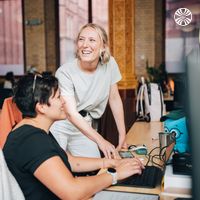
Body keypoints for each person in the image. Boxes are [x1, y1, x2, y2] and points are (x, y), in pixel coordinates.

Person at [3, 74, 144, 199]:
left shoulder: (33, 130)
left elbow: (69, 161)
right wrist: (115, 175)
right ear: (41, 107)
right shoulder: (31, 141)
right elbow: (72, 192)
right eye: (58, 97)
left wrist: (110, 163)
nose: (64, 101)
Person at [50, 23, 127, 159]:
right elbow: (71, 113)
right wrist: (101, 140)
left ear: (103, 47)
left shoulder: (110, 64)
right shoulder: (64, 72)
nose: (85, 45)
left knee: (94, 166)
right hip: (61, 124)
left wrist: (122, 135)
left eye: (92, 40)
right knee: (58, 166)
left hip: (85, 124)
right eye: (81, 39)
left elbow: (114, 99)